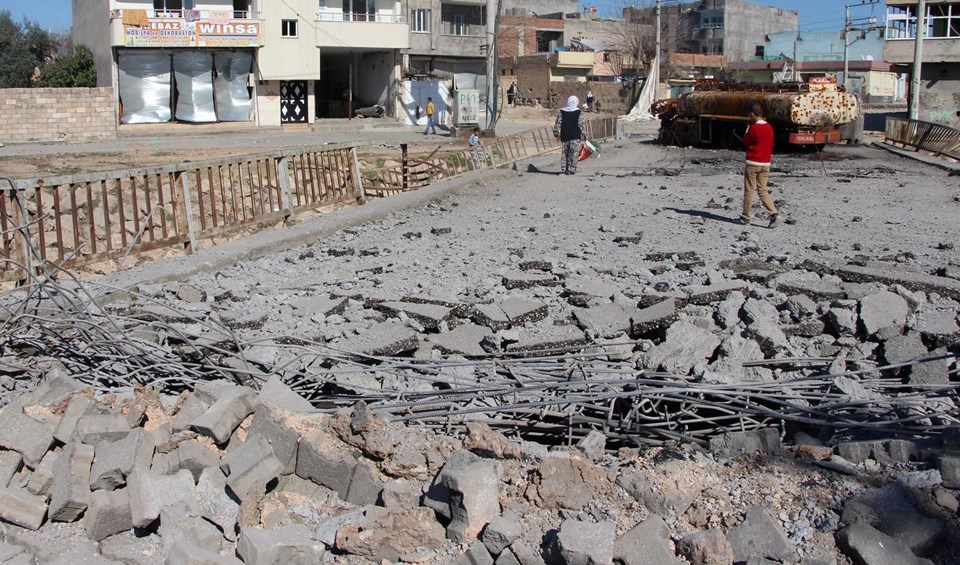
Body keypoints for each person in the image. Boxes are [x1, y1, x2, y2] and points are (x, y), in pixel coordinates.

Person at [739, 103, 781, 227]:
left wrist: (747, 130)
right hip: (765, 163)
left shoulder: (753, 128)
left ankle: (745, 216)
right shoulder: (769, 128)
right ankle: (773, 213)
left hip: (753, 162)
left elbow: (746, 143)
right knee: (762, 190)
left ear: (752, 114)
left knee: (749, 190)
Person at [554, 95, 586, 176]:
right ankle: (572, 169)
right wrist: (585, 134)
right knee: (574, 153)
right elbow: (581, 124)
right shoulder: (578, 112)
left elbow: (557, 124)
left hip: (565, 135)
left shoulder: (562, 111)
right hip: (575, 135)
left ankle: (565, 169)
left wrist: (556, 133)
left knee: (565, 153)